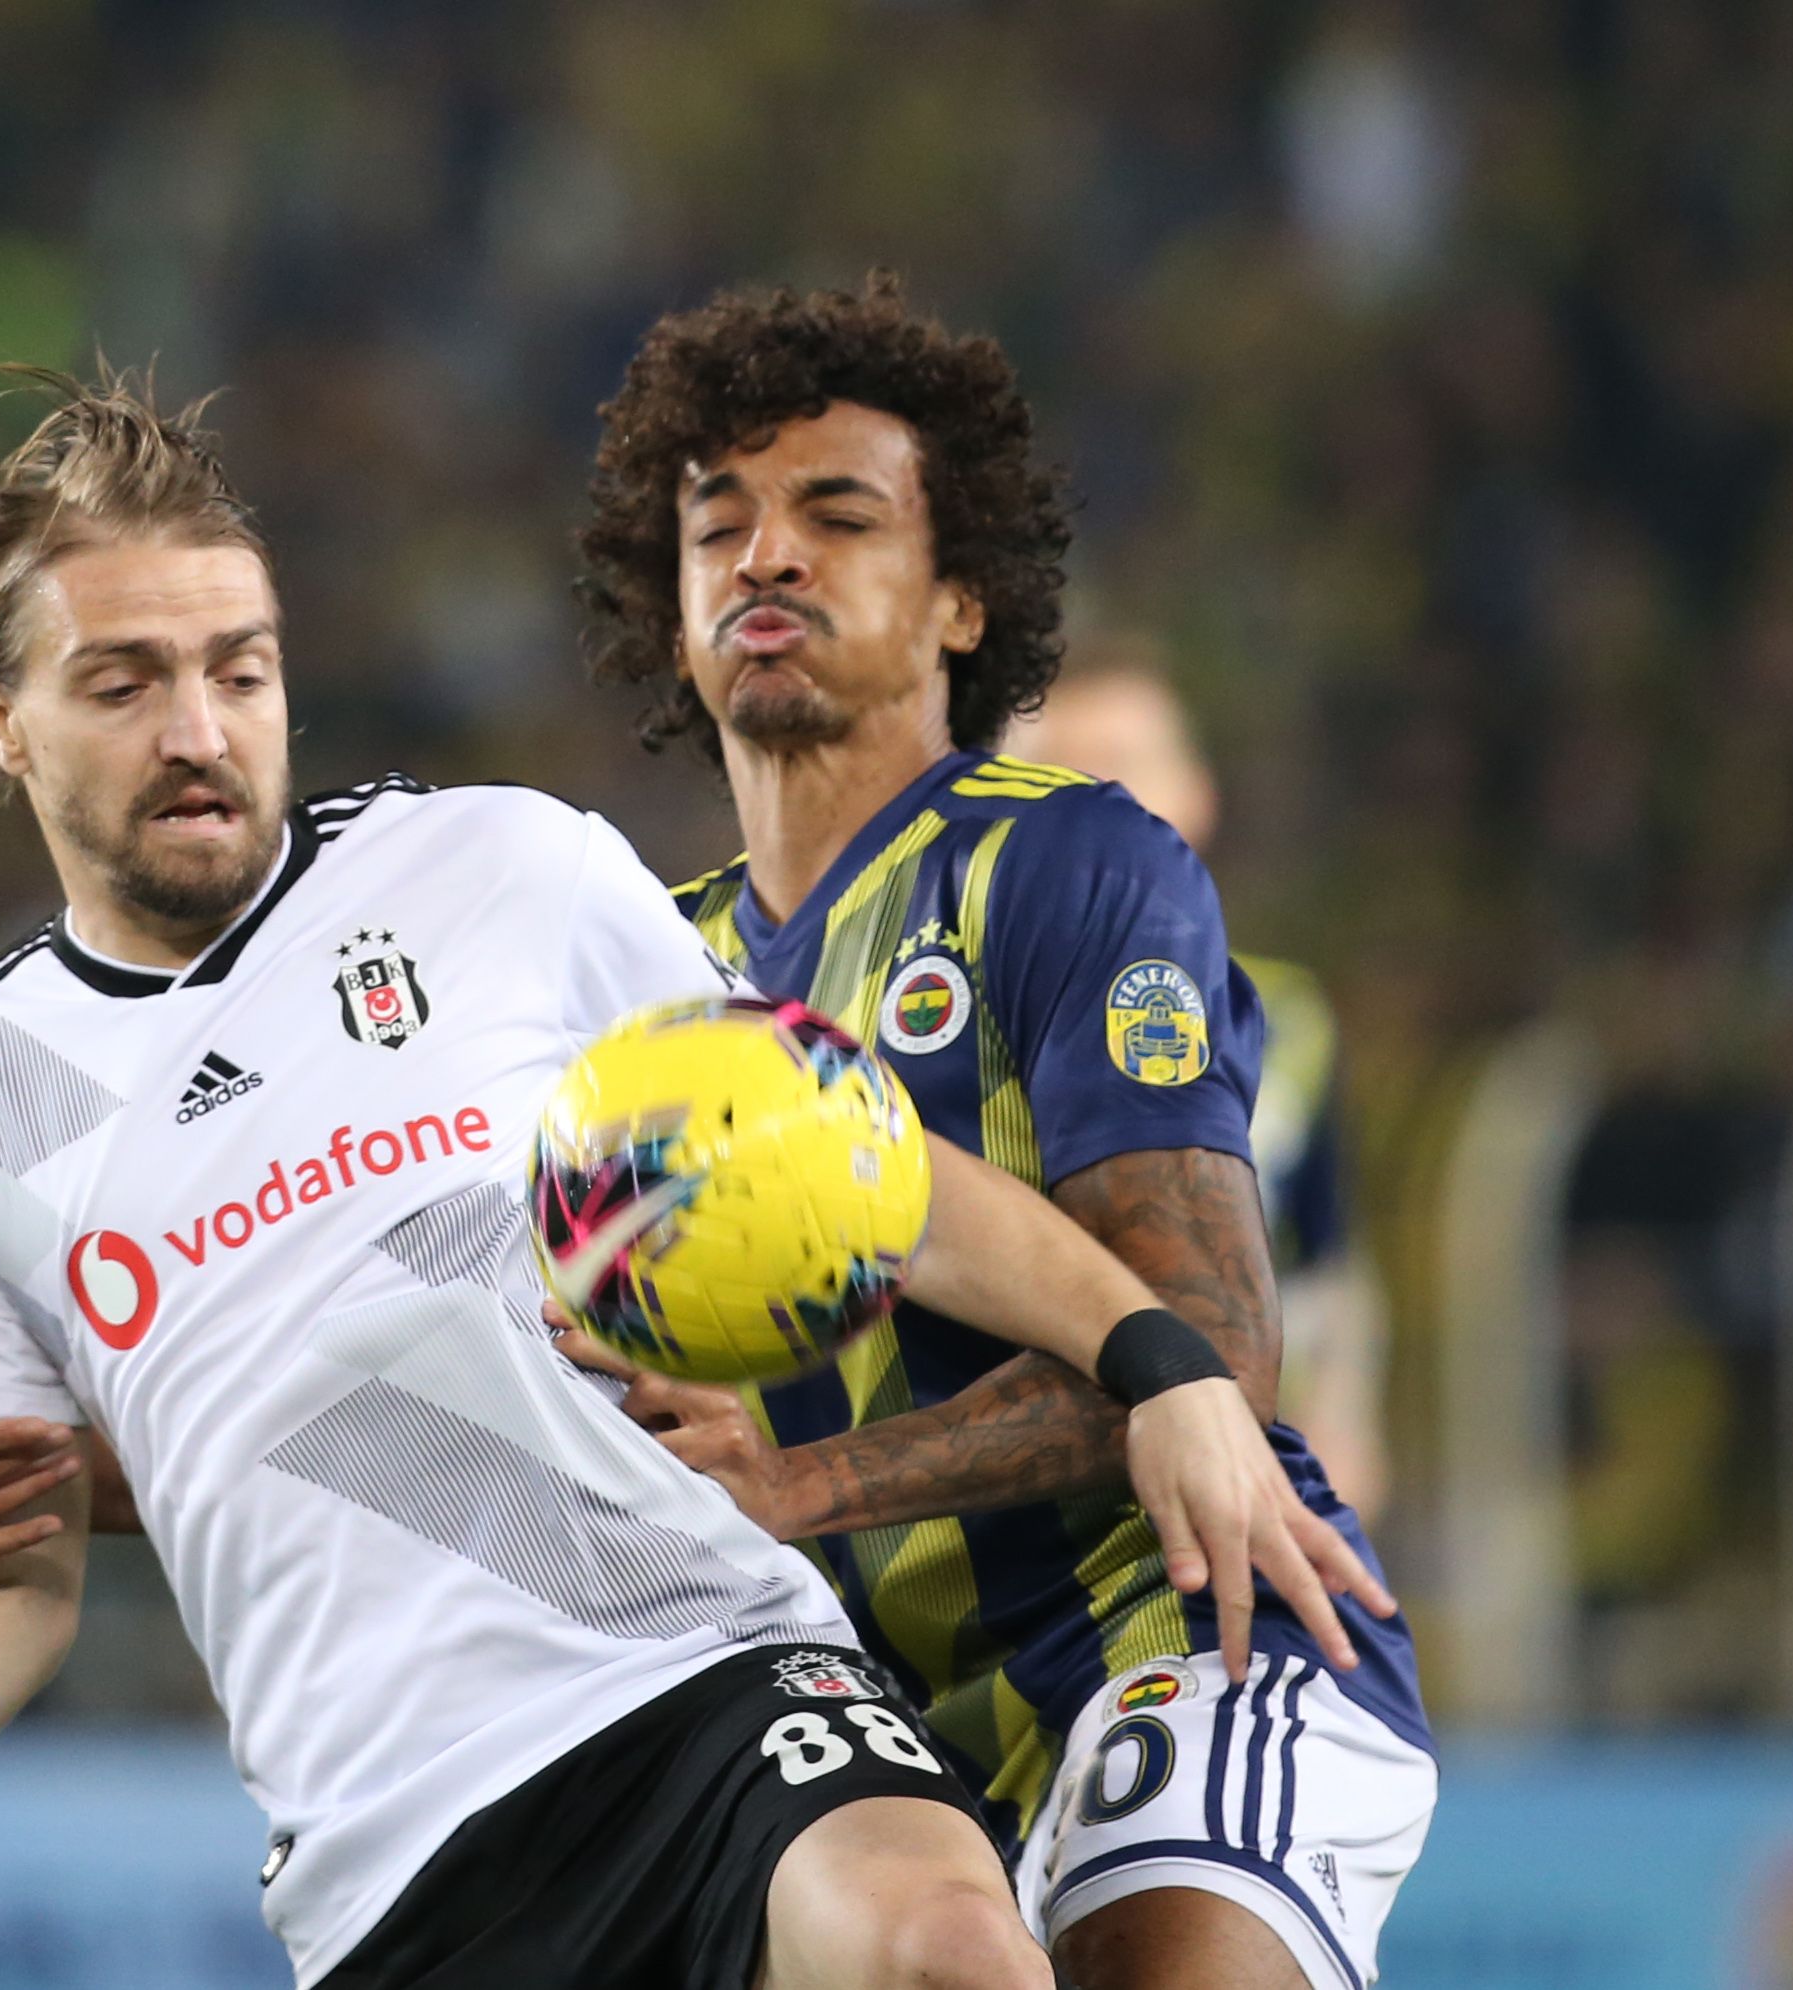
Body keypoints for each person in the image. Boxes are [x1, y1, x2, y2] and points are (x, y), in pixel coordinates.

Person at [0, 368, 1375, 1990]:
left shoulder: (497, 869)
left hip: (701, 1671)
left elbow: (860, 1164)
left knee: (944, 1948)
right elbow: (5, 1583)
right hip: (389, 1849)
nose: (198, 727)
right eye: (122, 683)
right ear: (2, 720)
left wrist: (1151, 1354)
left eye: (239, 670)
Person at [569, 277, 1435, 1990]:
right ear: (669, 612)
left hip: (1180, 1630)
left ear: (960, 599)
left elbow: (1210, 1340)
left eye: (836, 516)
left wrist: (800, 1485)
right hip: (867, 1747)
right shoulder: (635, 975)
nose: (764, 556)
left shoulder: (1064, 862)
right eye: (717, 527)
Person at [1009, 641, 1392, 1522]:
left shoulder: (1287, 1019)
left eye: (1125, 769)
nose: (1099, 807)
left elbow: (1326, 1259)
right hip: (1041, 1495)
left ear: (1196, 793)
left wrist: (1346, 1422)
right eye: (1059, 778)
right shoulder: (948, 1027)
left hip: (1255, 1476)